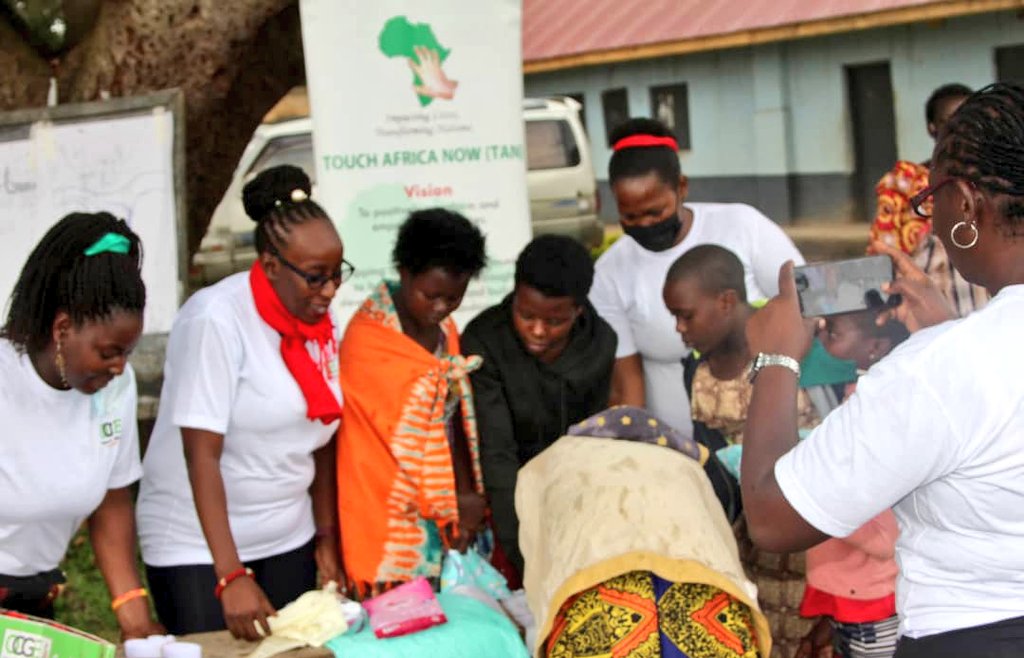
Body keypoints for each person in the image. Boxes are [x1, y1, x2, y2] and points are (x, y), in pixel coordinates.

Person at [743, 83, 1024, 657]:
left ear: (966, 204)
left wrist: (776, 358)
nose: (933, 219)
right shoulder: (955, 357)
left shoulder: (937, 372)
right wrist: (949, 329)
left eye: (932, 200)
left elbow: (774, 518)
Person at [136, 166, 349, 640]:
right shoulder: (215, 319)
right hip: (197, 546)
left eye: (337, 274)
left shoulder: (322, 322)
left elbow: (321, 435)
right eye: (316, 278)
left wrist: (325, 537)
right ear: (271, 264)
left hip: (286, 534)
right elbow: (201, 454)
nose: (331, 291)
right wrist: (230, 575)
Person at [0, 212, 162, 638]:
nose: (120, 366)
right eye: (109, 351)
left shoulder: (115, 386)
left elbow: (112, 497)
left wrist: (134, 615)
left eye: (128, 351)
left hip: (32, 605)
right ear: (62, 328)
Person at [590, 117, 803, 437]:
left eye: (655, 211)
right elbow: (627, 382)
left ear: (681, 188)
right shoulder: (609, 273)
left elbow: (803, 301)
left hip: (773, 425)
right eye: (629, 216)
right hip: (679, 441)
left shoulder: (740, 225)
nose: (644, 224)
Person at [663, 245, 820, 657]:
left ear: (726, 301)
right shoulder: (697, 373)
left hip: (816, 549)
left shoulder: (798, 350)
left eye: (686, 315)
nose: (679, 328)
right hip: (747, 552)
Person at [516, 406, 772, 658]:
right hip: (703, 595)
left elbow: (540, 559)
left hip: (598, 604)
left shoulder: (553, 463)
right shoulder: (683, 458)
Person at [337, 208, 488, 597]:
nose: (441, 308)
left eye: (454, 298)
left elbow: (449, 420)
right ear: (404, 272)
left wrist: (465, 490)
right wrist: (449, 499)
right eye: (431, 295)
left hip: (439, 508)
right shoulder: (368, 339)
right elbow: (386, 439)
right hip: (384, 510)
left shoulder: (445, 332)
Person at [462, 234, 617, 579]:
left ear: (578, 309)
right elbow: (497, 452)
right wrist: (525, 554)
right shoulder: (483, 341)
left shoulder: (601, 343)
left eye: (555, 321)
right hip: (507, 497)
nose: (537, 330)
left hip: (575, 491)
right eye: (525, 314)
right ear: (514, 293)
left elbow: (592, 444)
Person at [796, 311, 909, 658]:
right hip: (855, 582)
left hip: (872, 590)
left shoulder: (879, 409)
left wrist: (820, 509)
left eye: (834, 332)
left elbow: (886, 530)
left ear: (875, 345)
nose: (822, 337)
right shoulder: (856, 394)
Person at [870, 83, 988, 316]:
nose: (961, 130)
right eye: (949, 122)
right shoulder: (904, 182)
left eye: (969, 120)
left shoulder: (997, 179)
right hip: (927, 312)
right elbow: (883, 254)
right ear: (932, 128)